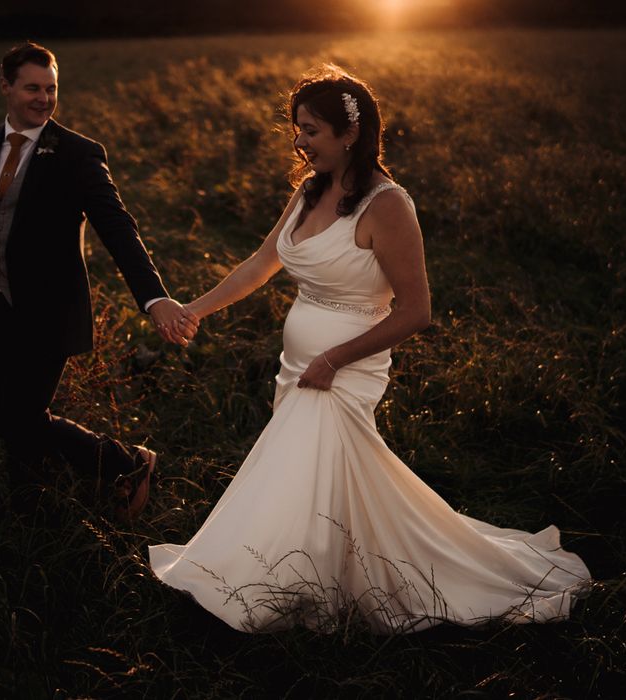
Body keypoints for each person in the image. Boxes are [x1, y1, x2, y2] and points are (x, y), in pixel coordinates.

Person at [149, 64, 591, 634]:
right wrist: (194, 310)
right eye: (297, 128)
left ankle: (278, 582)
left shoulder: (388, 205)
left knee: (304, 466)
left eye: (310, 130)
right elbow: (262, 264)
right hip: (298, 368)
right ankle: (310, 573)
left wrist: (334, 359)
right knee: (315, 476)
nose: (299, 141)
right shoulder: (309, 193)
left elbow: (416, 311)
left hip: (344, 368)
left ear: (349, 133)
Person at [0, 42, 198, 519]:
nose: (44, 98)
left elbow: (119, 229)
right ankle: (28, 511)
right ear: (6, 87)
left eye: (51, 88)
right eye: (33, 87)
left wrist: (154, 297)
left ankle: (128, 463)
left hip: (49, 311)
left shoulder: (78, 154)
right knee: (8, 423)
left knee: (25, 418)